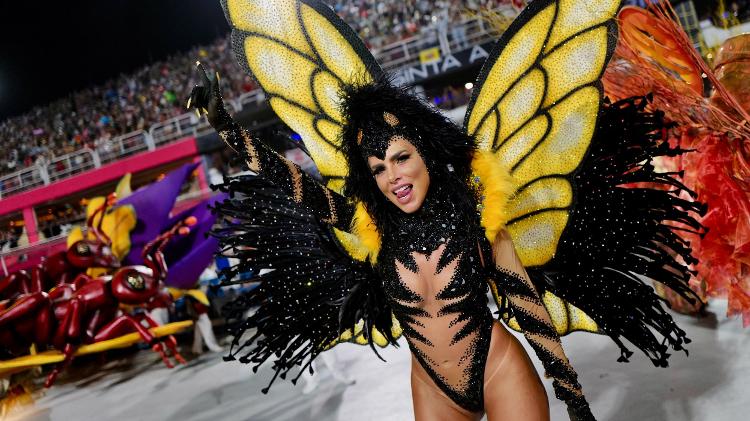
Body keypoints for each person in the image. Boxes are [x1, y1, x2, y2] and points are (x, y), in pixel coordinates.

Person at [189, 1, 704, 420]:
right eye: (378, 168)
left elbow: (524, 302)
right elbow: (291, 181)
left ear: (425, 154)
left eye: (401, 158)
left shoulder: (478, 212)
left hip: (497, 367)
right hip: (432, 386)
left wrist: (573, 397)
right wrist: (226, 126)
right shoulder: (369, 224)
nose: (393, 176)